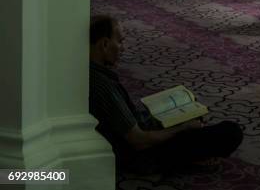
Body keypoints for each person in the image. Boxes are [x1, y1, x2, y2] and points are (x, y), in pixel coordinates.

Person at [88, 14, 243, 173]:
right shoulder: (103, 85)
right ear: (105, 45)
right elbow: (138, 140)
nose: (123, 48)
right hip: (140, 154)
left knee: (190, 112)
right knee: (231, 132)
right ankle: (189, 160)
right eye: (120, 41)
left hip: (138, 136)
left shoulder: (93, 73)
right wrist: (183, 128)